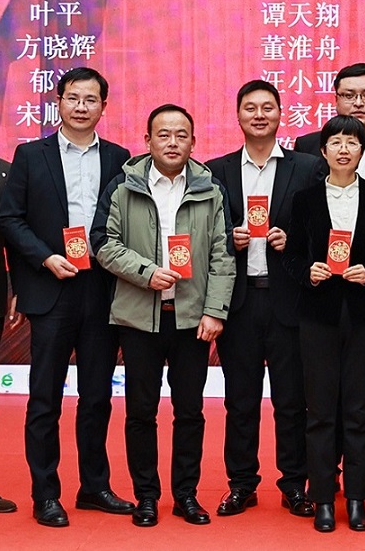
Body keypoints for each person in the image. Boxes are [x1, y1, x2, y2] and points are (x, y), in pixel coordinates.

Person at [0, 65, 128, 520]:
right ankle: (45, 493)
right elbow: (10, 219)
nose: (81, 107)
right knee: (45, 397)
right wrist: (44, 258)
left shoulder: (120, 158)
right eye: (73, 98)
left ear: (103, 107)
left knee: (97, 396)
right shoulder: (31, 155)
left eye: (91, 100)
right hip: (52, 285)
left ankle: (94, 486)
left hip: (102, 287)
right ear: (59, 103)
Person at [99, 109, 235, 526]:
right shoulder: (123, 185)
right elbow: (104, 244)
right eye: (164, 135)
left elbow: (222, 254)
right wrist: (146, 273)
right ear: (148, 140)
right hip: (139, 318)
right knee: (141, 411)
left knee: (189, 411)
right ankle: (146, 496)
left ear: (193, 141)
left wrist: (214, 310)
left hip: (191, 320)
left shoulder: (210, 189)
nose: (172, 142)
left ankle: (186, 495)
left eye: (181, 135)